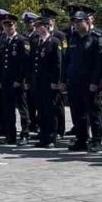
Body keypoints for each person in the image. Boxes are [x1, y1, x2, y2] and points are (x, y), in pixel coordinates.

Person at [64, 6, 102, 152]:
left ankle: (96, 140)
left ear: (87, 22)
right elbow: (67, 60)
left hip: (90, 82)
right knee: (78, 112)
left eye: (79, 21)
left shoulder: (96, 38)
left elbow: (100, 63)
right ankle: (81, 139)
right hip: (75, 81)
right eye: (74, 22)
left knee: (94, 112)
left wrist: (95, 82)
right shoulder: (73, 38)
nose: (76, 24)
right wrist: (65, 79)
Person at [0, 12, 31, 145]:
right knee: (8, 109)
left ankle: (25, 134)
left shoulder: (21, 40)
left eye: (10, 25)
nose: (8, 28)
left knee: (22, 108)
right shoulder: (4, 41)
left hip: (17, 81)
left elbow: (24, 63)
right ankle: (10, 135)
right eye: (5, 25)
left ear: (15, 26)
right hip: (6, 80)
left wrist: (19, 80)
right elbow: (1, 62)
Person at [29, 15, 63, 148]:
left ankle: (51, 137)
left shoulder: (54, 42)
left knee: (50, 110)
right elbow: (32, 62)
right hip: (37, 81)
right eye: (36, 27)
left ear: (47, 26)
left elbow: (58, 63)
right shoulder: (35, 41)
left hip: (49, 82)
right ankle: (43, 136)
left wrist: (56, 81)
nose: (37, 29)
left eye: (40, 26)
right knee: (41, 110)